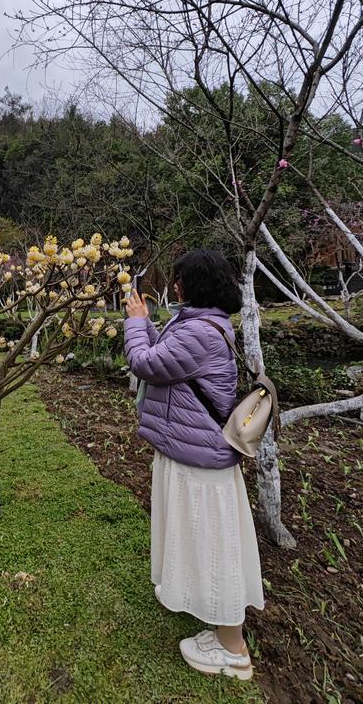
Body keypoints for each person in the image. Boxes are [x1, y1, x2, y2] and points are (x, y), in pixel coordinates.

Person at [124, 249, 264, 681]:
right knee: (207, 541)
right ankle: (223, 632)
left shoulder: (200, 331)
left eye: (181, 279)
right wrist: (146, 323)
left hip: (201, 462)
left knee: (215, 546)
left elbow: (145, 362)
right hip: (192, 453)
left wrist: (133, 321)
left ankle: (233, 648)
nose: (176, 285)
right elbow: (166, 357)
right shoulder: (200, 323)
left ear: (196, 284)